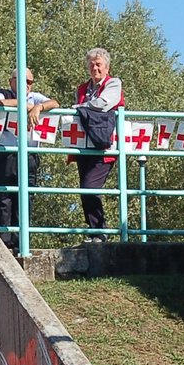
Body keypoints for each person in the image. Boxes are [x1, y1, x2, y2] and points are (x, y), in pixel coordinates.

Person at [0, 72, 58, 247]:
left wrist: (38, 107)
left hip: (28, 155)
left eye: (29, 81)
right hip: (2, 153)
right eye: (22, 80)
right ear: (12, 81)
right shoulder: (2, 93)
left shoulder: (35, 97)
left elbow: (55, 103)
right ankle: (3, 244)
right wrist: (23, 105)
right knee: (2, 198)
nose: (26, 84)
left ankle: (21, 243)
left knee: (25, 197)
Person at [71, 47, 123, 237]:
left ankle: (100, 232)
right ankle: (95, 231)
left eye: (99, 64)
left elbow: (104, 104)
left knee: (89, 187)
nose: (95, 68)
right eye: (92, 64)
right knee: (84, 190)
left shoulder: (114, 84)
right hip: (85, 146)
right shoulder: (83, 88)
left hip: (104, 147)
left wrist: (80, 107)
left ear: (106, 67)